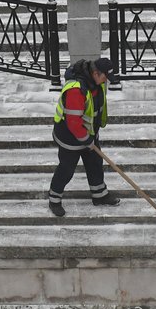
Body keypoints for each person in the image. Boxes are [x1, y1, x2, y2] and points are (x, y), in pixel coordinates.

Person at [48, 57, 121, 217]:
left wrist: (91, 136)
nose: (105, 82)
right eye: (104, 77)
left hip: (88, 134)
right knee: (66, 169)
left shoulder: (96, 84)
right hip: (69, 137)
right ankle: (54, 198)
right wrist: (86, 140)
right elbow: (73, 122)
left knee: (95, 163)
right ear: (95, 73)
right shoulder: (76, 90)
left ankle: (99, 195)